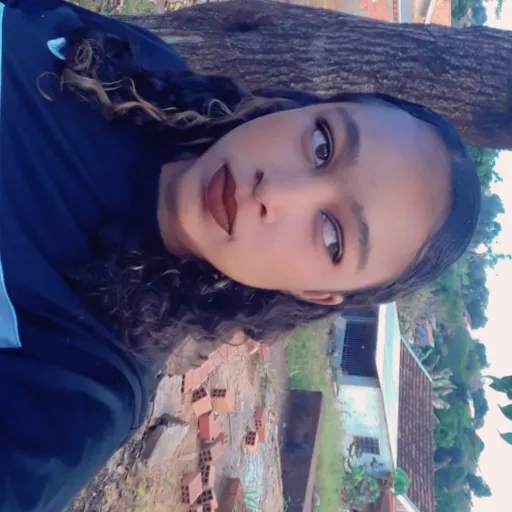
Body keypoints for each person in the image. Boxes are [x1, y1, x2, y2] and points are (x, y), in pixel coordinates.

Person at [0, 0, 480, 510]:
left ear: (314, 292)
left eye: (332, 236)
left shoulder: (82, 387)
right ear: (301, 107)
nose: (274, 191)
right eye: (322, 145)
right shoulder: (136, 69)